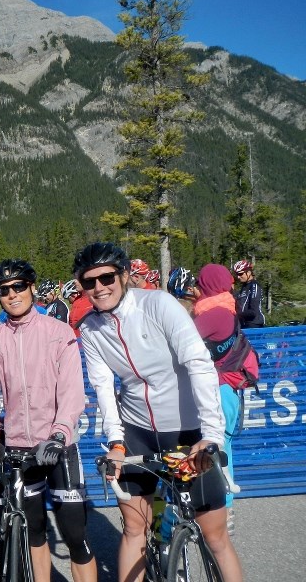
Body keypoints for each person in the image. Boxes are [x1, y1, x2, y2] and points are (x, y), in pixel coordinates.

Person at [73, 241, 242, 582]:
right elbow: (104, 388)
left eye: (106, 278)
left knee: (215, 536)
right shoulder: (90, 329)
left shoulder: (159, 304)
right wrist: (116, 441)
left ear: (122, 276)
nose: (99, 288)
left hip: (187, 428)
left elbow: (199, 363)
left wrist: (211, 434)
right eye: (88, 282)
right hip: (137, 430)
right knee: (135, 528)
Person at [0, 259, 97, 582]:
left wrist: (58, 434)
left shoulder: (59, 333)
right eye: (4, 290)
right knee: (35, 535)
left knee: (75, 537)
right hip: (18, 451)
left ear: (32, 288)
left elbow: (73, 390)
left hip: (58, 447)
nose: (12, 294)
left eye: (18, 286)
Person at [193, 264, 259, 537]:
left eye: (199, 282)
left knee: (218, 447)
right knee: (221, 445)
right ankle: (221, 510)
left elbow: (180, 338)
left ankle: (223, 511)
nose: (196, 286)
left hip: (220, 388)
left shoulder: (214, 314)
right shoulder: (225, 308)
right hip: (228, 389)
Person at [232, 260, 265, 328]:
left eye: (241, 274)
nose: (238, 277)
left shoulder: (254, 286)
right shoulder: (244, 287)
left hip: (254, 324)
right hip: (244, 323)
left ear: (249, 272)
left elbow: (253, 312)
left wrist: (236, 315)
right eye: (237, 274)